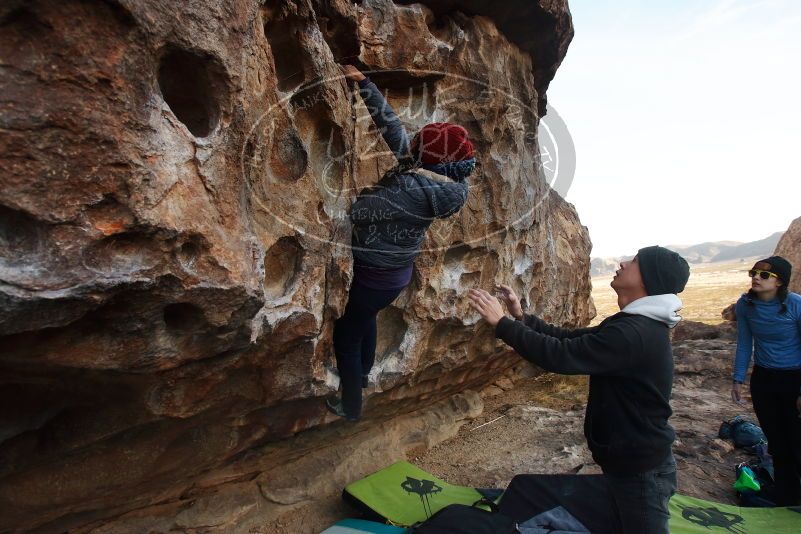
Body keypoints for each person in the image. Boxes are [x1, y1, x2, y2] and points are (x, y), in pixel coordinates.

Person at [467, 246, 690, 534]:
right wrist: (521, 317)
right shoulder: (634, 325)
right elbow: (570, 340)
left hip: (642, 470)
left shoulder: (634, 333)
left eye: (634, 261)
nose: (622, 263)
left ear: (649, 278)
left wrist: (502, 324)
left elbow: (561, 356)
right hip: (629, 463)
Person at [327, 64, 478, 422]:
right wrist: (366, 85)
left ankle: (350, 406)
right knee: (366, 317)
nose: (411, 142)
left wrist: (356, 195)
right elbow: (392, 130)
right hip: (394, 273)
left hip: (375, 275)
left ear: (427, 155)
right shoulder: (439, 179)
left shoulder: (412, 189)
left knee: (347, 337)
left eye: (418, 142)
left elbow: (362, 212)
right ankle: (362, 376)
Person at [730, 255, 801, 506]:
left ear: (780, 281)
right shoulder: (746, 305)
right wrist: (738, 378)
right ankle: (786, 493)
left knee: (796, 438)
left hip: (795, 378)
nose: (756, 278)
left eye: (764, 275)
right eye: (754, 273)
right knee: (776, 439)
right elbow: (744, 343)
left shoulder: (795, 305)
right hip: (764, 379)